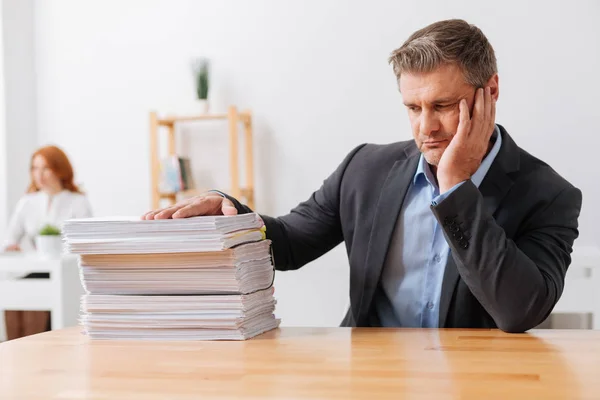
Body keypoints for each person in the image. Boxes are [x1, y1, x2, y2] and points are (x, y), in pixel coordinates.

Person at [142, 19, 582, 333]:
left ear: (491, 92)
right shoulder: (365, 169)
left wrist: (456, 188)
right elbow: (290, 243)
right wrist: (228, 212)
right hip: (369, 378)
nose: (425, 127)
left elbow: (519, 312)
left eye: (443, 107)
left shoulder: (548, 195)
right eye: (413, 108)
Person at [3, 145, 92, 340]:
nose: (39, 174)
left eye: (45, 168)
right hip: (38, 269)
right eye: (35, 168)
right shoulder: (28, 202)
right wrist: (12, 247)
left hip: (69, 272)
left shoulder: (77, 201)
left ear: (60, 170)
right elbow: (10, 239)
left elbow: (86, 243)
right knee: (17, 292)